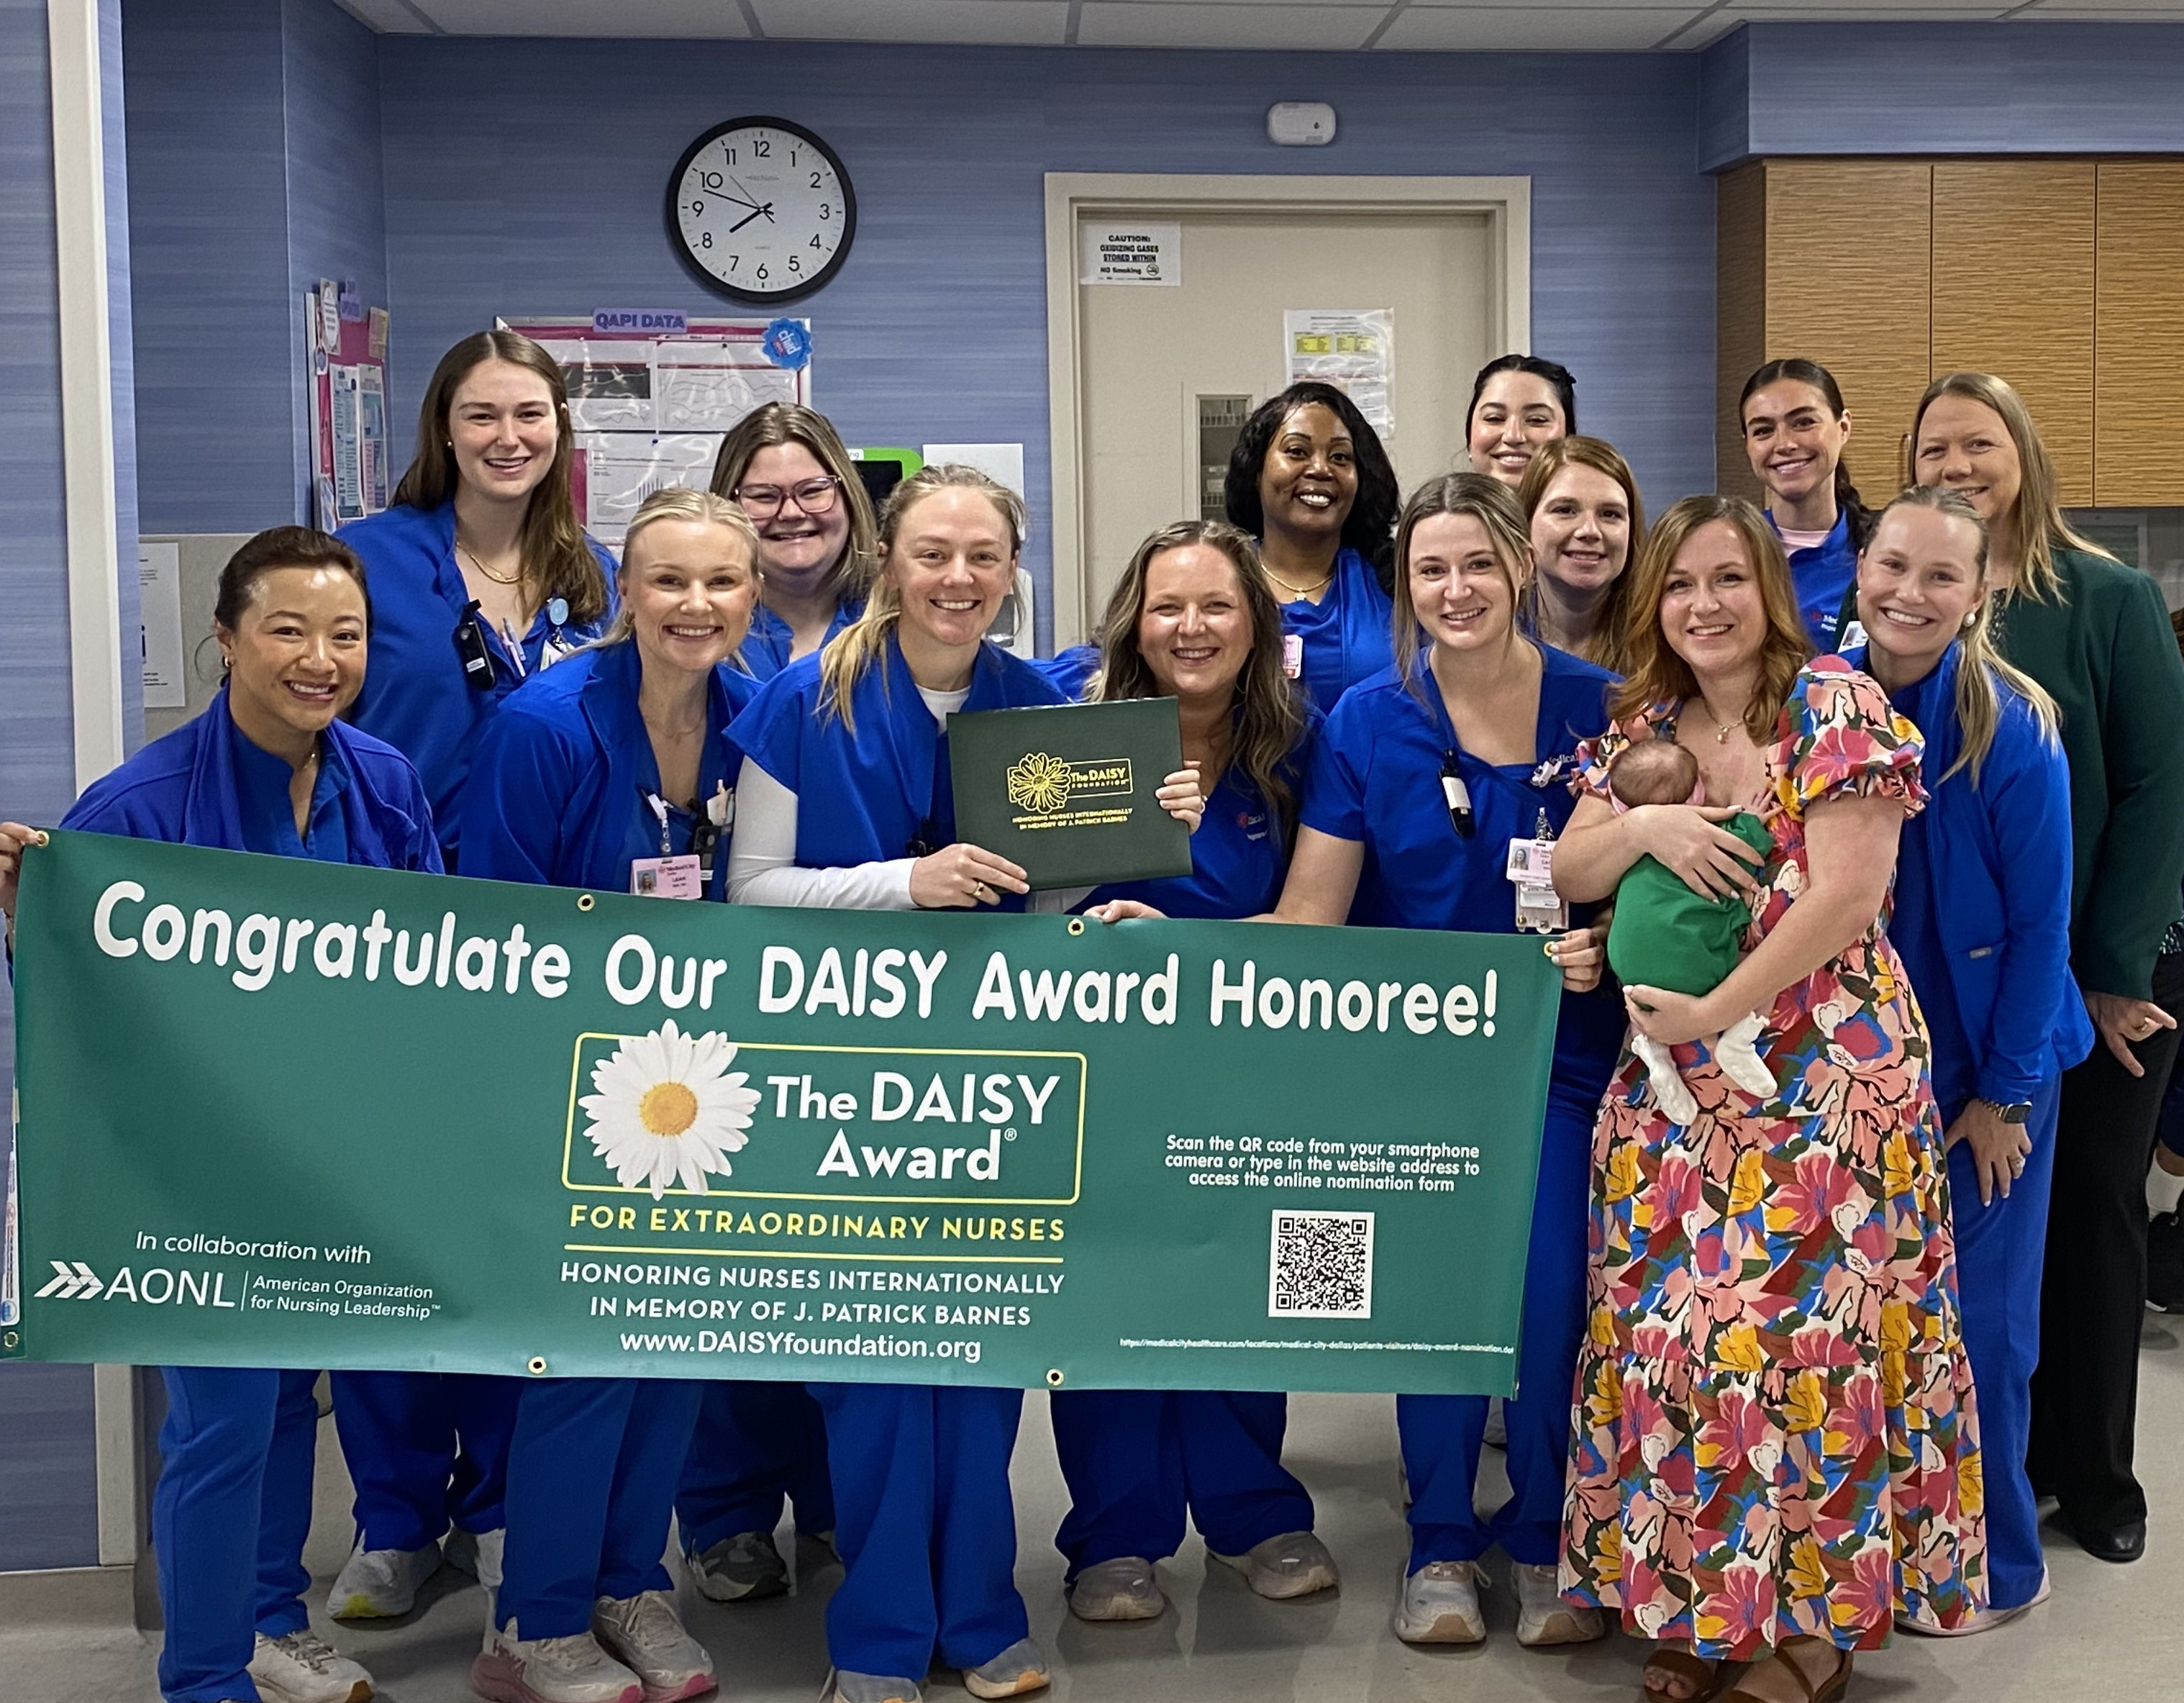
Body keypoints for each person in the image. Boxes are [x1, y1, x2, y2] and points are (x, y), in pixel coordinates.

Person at [725, 466, 1203, 1703]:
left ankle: (980, 1620)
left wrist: (1136, 837)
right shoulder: (802, 696)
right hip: (844, 1078)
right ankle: (881, 1639)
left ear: (1013, 566)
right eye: (933, 553)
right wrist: (904, 882)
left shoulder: (1034, 704)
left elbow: (1035, 896)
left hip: (987, 1076)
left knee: (984, 1359)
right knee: (879, 1371)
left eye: (983, 556)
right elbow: (750, 893)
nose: (957, 579)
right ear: (890, 558)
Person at [1552, 494, 1986, 1703]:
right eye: (1681, 583)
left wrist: (1714, 1010)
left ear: (1772, 591)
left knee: (1806, 1350)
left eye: (1727, 579)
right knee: (1671, 1344)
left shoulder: (1836, 704)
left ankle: (1816, 1631)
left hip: (1821, 1084)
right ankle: (1709, 1607)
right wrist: (1641, 820)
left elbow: (1847, 897)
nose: (1703, 604)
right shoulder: (1642, 720)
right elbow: (1572, 865)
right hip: (1668, 1098)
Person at [1, 527, 440, 1703]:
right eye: (288, 629)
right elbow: (69, 988)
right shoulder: (139, 805)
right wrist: (21, 916)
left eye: (343, 633)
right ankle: (205, 1676)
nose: (319, 656)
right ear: (228, 637)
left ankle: (263, 1621)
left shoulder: (383, 781)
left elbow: (443, 966)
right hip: (192, 1177)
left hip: (332, 1158)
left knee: (293, 1396)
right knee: (222, 1421)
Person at [1241, 472, 1621, 1650]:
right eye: (1428, 571)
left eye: (1473, 564)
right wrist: (1165, 947)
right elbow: (1311, 912)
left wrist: (1611, 941)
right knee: (1441, 1307)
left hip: (1566, 1058)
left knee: (1554, 1301)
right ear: (1405, 588)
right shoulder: (1368, 718)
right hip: (1424, 1072)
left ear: (1518, 565)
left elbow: (1653, 883)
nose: (1454, 590)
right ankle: (1444, 1539)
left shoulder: (1605, 708)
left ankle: (1554, 1532)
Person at [329, 330, 616, 1620]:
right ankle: (398, 1518)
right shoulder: (370, 558)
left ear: (561, 431)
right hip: (391, 941)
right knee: (388, 1234)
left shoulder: (589, 575)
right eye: (483, 414)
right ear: (443, 427)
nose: (510, 435)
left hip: (541, 948)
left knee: (514, 1238)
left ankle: (502, 1503)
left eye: (532, 414)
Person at [458, 487, 762, 1703]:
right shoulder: (547, 726)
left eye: (721, 583)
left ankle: (631, 1581)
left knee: (675, 1344)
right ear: (624, 590)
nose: (697, 605)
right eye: (670, 580)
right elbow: (499, 931)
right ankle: (531, 1619)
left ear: (751, 598)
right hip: (570, 1086)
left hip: (702, 1086)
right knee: (586, 1354)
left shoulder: (758, 715)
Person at [1911, 371, 2184, 1564]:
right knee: (1993, 1239)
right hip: (1978, 987)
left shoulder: (2106, 597)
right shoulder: (1916, 604)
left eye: (1980, 442)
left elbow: (2156, 786)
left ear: (2023, 449)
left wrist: (2110, 971)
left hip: (2109, 977)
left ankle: (2100, 1476)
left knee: (2093, 1224)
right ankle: (2003, 1458)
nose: (1959, 463)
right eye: (1936, 446)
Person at [1050, 521, 1337, 1620]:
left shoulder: (1298, 746)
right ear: (1134, 619)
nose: (1191, 627)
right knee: (1111, 1287)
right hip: (1104, 1067)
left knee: (1236, 1289)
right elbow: (1026, 901)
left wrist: (1190, 945)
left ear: (1256, 621)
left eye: (1217, 605)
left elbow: (1326, 910)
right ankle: (1114, 1535)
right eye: (1168, 605)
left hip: (1247, 1066)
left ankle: (1252, 1509)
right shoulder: (1079, 737)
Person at [1842, 485, 2089, 1633]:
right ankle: (1891, 1553)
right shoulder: (1823, 698)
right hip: (1863, 1071)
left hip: (1992, 1068)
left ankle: (2001, 1567)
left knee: (1983, 1328)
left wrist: (2006, 1094)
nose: (1911, 592)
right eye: (1894, 565)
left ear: (1982, 592)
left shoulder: (2011, 722)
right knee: (1876, 1330)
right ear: (1860, 566)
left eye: (1943, 575)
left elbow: (2045, 928)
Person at [1598, 739, 1775, 1124]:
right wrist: (1752, 820)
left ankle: (1655, 1054)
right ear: (1699, 794)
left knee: (1647, 976)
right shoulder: (1710, 830)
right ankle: (1740, 1037)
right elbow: (1753, 841)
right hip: (1693, 964)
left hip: (1626, 968)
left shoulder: (1625, 846)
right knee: (1767, 967)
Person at [1220, 380, 1401, 712]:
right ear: (1256, 471)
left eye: (1340, 457)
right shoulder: (1219, 579)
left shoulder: (1397, 581)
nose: (1320, 469)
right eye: (1297, 452)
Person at [709, 401, 879, 681]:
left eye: (813, 491)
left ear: (849, 497)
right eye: (764, 496)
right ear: (726, 507)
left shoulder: (904, 628)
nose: (791, 513)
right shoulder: (696, 632)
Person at [1739, 358, 1870, 650]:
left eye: (1804, 423)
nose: (1784, 443)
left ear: (1844, 427)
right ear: (1747, 445)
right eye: (1763, 430)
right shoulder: (1733, 549)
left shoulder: (1879, 555)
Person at [1516, 434, 1644, 671]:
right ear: (1527, 521)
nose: (1590, 531)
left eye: (1609, 514)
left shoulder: (1664, 647)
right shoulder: (1490, 637)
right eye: (1565, 510)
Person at [1464, 354, 1575, 491]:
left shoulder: (1593, 511)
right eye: (1494, 418)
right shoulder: (1441, 511)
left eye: (1537, 420)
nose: (1513, 436)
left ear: (1568, 436)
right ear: (1469, 440)